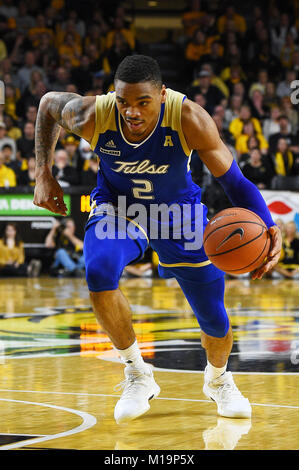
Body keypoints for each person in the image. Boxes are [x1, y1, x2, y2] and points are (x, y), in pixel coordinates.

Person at [33, 55, 281, 425]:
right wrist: (43, 170)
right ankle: (136, 372)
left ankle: (219, 380)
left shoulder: (189, 118)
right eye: (123, 102)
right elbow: (48, 104)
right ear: (113, 96)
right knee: (99, 271)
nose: (131, 112)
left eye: (142, 102)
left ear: (162, 95)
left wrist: (269, 227)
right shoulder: (93, 115)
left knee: (213, 317)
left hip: (177, 213)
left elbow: (235, 182)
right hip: (117, 208)